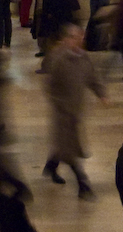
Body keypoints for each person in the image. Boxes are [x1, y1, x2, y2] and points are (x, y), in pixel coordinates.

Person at [42, 24, 108, 199]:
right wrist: (60, 104)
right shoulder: (58, 59)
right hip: (62, 113)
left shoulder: (84, 58)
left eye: (80, 37)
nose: (77, 41)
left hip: (76, 112)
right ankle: (83, 185)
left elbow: (92, 78)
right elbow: (49, 87)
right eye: (73, 37)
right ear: (65, 39)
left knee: (65, 145)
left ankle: (51, 165)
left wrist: (102, 94)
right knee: (70, 150)